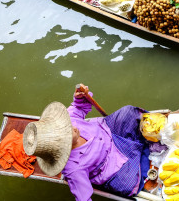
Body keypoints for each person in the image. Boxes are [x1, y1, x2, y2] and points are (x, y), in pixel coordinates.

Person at [22, 85, 152, 201]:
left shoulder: (68, 119)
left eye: (67, 125)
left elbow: (78, 108)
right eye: (69, 132)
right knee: (126, 185)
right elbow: (83, 196)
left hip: (108, 132)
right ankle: (140, 151)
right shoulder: (74, 169)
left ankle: (139, 147)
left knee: (127, 112)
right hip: (110, 165)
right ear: (63, 145)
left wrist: (79, 97)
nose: (73, 127)